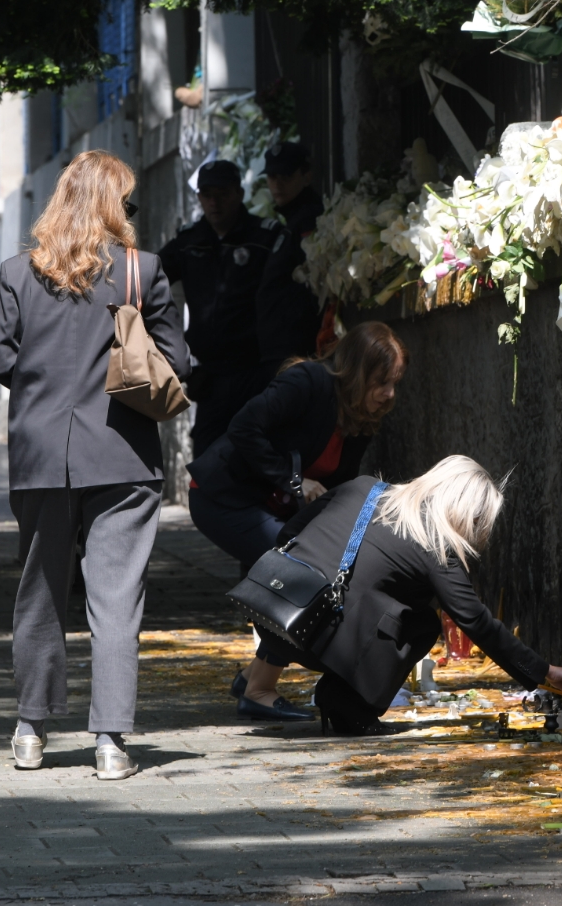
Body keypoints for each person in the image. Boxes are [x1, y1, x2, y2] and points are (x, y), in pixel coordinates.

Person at [0, 150, 189, 781]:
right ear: (112, 205)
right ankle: (110, 743)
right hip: (123, 454)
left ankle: (29, 732)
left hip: (42, 452)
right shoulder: (142, 271)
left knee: (39, 593)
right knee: (116, 600)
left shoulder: (18, 272)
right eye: (126, 200)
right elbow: (175, 359)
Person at [265, 455, 562, 736]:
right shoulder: (435, 546)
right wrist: (545, 671)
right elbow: (476, 622)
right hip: (314, 634)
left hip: (277, 613)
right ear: (466, 512)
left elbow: (289, 533)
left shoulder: (363, 487)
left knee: (392, 601)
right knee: (422, 624)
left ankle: (339, 696)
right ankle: (350, 704)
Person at [187, 321, 407, 721]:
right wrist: (294, 479)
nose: (389, 395)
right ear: (357, 372)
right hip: (221, 495)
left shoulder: (359, 413)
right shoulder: (308, 382)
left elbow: (342, 487)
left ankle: (253, 676)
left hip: (273, 503)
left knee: (316, 567)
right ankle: (259, 691)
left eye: (394, 383)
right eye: (381, 382)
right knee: (297, 577)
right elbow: (244, 428)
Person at [157, 160, 281, 457]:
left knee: (257, 453)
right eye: (206, 194)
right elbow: (148, 281)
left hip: (255, 370)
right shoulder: (189, 242)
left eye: (222, 194)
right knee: (206, 459)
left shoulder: (264, 238)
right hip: (209, 376)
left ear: (239, 193)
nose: (214, 202)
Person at [254, 141, 324, 372]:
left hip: (296, 351)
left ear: (306, 177)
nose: (277, 184)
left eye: (285, 175)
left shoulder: (310, 220)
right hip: (281, 351)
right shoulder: (293, 221)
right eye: (272, 177)